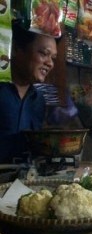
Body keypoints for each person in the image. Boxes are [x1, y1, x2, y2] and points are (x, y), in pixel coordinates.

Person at [0, 21, 58, 163]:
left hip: (23, 181)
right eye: (44, 54)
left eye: (53, 58)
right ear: (16, 49)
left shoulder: (38, 100)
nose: (50, 63)